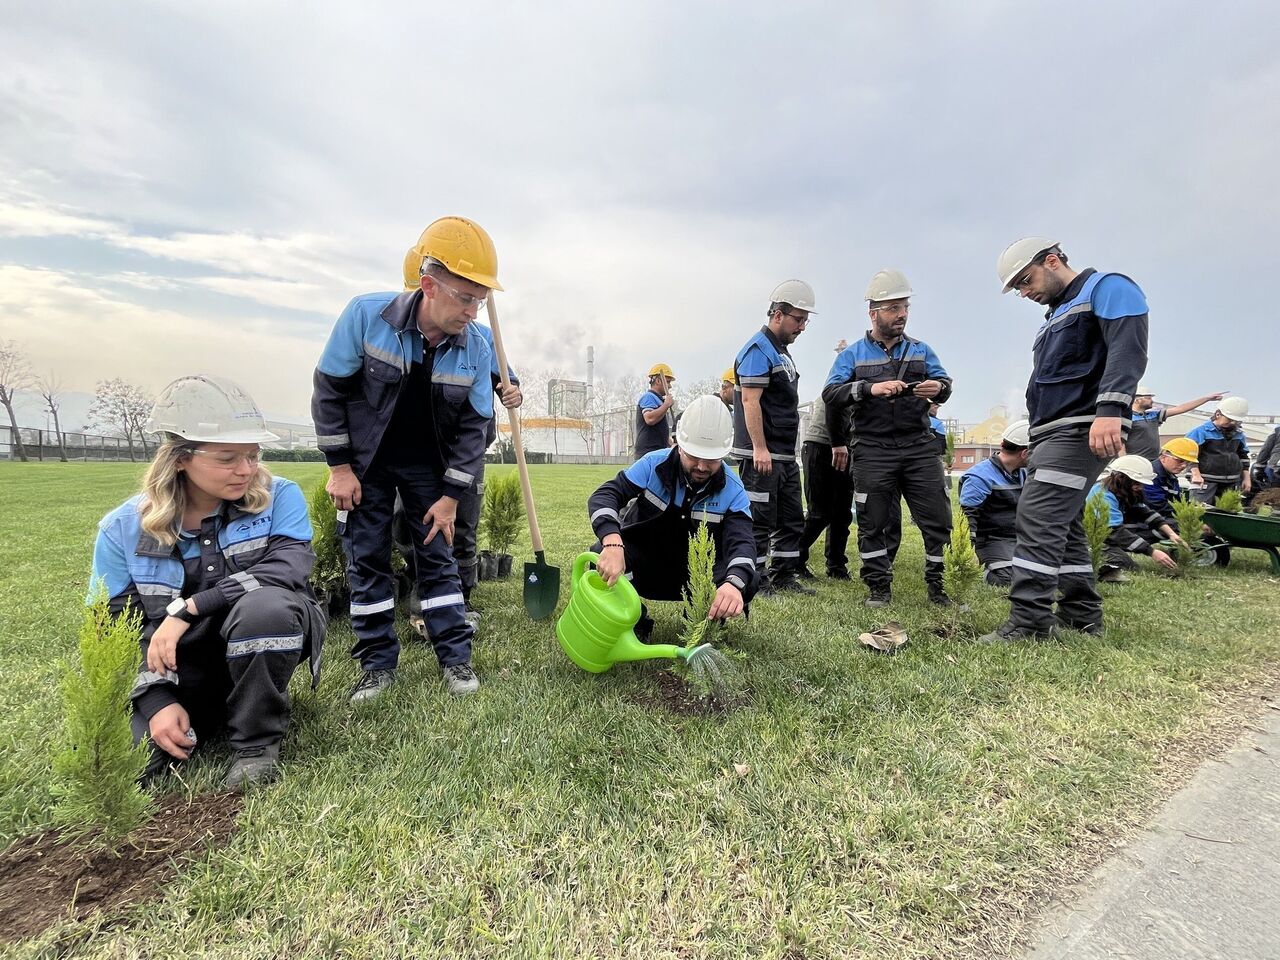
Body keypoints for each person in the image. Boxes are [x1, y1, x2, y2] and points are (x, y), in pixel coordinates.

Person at [91, 376, 325, 790]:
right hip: (179, 665)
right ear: (180, 458)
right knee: (130, 763)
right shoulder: (120, 529)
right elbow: (112, 630)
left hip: (260, 633)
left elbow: (288, 568)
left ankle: (255, 743)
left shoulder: (279, 496)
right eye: (227, 458)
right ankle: (200, 704)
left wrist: (189, 607)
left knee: (267, 607)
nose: (246, 470)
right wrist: (157, 701)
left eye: (253, 455)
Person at [312, 215, 498, 701]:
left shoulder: (477, 347)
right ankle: (377, 666)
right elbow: (329, 391)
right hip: (365, 464)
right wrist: (339, 467)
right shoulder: (365, 316)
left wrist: (452, 495)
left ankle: (455, 659)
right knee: (366, 559)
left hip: (429, 468)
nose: (473, 311)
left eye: (479, 299)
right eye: (464, 296)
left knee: (438, 558)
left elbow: (475, 428)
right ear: (428, 285)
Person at [983, 238, 1149, 642]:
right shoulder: (1054, 316)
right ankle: (1081, 615)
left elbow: (1127, 350)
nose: (1024, 293)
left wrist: (1110, 410)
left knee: (1037, 517)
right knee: (1065, 522)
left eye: (1026, 281)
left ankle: (1029, 623)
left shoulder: (1108, 288)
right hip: (1051, 432)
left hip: (1079, 428)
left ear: (1052, 261)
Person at [396, 242, 523, 627]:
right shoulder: (404, 332)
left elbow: (507, 379)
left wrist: (512, 390)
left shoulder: (481, 336)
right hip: (415, 451)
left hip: (465, 451)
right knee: (411, 522)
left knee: (463, 523)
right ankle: (420, 592)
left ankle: (461, 598)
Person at [822, 269, 955, 608]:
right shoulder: (850, 355)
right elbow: (831, 394)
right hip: (872, 449)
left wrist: (938, 388)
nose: (902, 315)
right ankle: (879, 589)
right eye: (894, 308)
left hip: (919, 447)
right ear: (874, 313)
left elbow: (945, 383)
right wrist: (870, 389)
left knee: (938, 520)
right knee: (873, 521)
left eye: (905, 307)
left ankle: (940, 589)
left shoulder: (922, 351)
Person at [586, 395, 759, 635]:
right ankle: (632, 619)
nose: (701, 466)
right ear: (678, 445)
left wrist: (733, 584)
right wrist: (612, 542)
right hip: (645, 563)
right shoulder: (652, 464)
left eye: (710, 460)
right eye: (693, 456)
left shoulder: (733, 490)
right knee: (598, 556)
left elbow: (743, 543)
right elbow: (606, 495)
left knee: (747, 577)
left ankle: (701, 621)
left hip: (697, 575)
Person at [732, 279, 817, 594]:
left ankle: (783, 575)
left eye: (805, 320)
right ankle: (758, 579)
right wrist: (759, 448)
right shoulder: (759, 349)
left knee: (792, 517)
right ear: (778, 314)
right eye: (799, 319)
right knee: (759, 520)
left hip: (784, 456)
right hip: (763, 456)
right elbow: (750, 401)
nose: (803, 327)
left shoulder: (781, 352)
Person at [957, 419, 1030, 586]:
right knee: (1008, 579)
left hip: (1017, 538)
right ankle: (984, 572)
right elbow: (968, 518)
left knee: (1045, 571)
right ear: (1024, 453)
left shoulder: (1024, 473)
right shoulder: (980, 477)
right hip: (990, 541)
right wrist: (969, 553)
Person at [1089, 456, 1183, 582]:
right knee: (1126, 564)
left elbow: (1144, 513)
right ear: (1122, 478)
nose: (1140, 487)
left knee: (1173, 525)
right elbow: (1115, 532)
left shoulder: (1123, 490)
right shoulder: (1103, 496)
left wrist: (1172, 534)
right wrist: (1152, 552)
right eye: (1137, 483)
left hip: (1110, 534)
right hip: (1092, 538)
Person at [797, 393, 854, 580]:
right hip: (819, 446)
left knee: (841, 514)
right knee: (819, 513)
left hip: (844, 448)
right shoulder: (840, 383)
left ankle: (836, 566)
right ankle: (792, 561)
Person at [1126, 384, 1225, 459]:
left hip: (1154, 460)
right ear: (1137, 400)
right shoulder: (1127, 417)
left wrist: (1207, 398)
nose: (1152, 400)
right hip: (1135, 460)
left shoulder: (1153, 415)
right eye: (1148, 398)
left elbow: (1181, 408)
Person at [1187, 397, 1252, 504]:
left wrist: (1246, 478)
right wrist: (1195, 474)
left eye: (1236, 421)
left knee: (1228, 514)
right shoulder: (1200, 432)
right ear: (1218, 414)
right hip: (1205, 480)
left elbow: (1244, 457)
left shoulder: (1239, 434)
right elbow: (1188, 456)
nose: (1233, 423)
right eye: (1230, 419)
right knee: (1201, 512)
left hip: (1231, 482)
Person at [1143, 437, 1199, 523]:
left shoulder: (1170, 476)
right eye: (1180, 460)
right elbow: (1156, 506)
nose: (1184, 466)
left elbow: (1178, 501)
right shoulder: (1150, 475)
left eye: (1188, 462)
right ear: (1163, 457)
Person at [634, 364, 677, 459]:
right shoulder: (648, 397)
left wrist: (671, 444)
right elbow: (649, 419)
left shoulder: (659, 400)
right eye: (668, 382)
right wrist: (666, 405)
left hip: (657, 451)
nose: (670, 386)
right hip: (648, 452)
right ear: (658, 381)